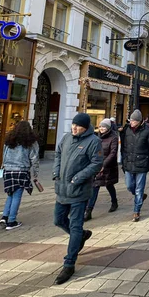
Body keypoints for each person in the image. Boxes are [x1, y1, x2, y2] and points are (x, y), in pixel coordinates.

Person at [53, 113, 103, 284]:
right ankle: (81, 235)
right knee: (58, 220)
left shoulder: (93, 141)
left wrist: (78, 178)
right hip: (62, 189)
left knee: (75, 226)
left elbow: (97, 163)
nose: (74, 128)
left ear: (85, 127)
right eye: (73, 124)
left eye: (78, 126)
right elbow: (58, 153)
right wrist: (56, 172)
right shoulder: (67, 138)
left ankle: (69, 264)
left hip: (79, 191)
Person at [0, 121, 39, 230]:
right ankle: (12, 221)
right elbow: (34, 158)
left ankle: (4, 217)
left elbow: (4, 153)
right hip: (21, 170)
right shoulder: (30, 141)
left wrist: (3, 166)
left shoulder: (9, 140)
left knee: (10, 194)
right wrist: (35, 173)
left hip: (8, 170)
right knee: (17, 195)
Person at [120, 109, 149, 222]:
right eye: (130, 120)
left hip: (142, 163)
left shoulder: (148, 131)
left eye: (133, 120)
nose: (131, 122)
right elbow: (123, 146)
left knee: (139, 188)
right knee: (129, 185)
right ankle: (140, 196)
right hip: (129, 162)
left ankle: (136, 211)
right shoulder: (126, 129)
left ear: (139, 121)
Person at [84, 119, 119, 221]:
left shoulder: (114, 137)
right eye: (100, 127)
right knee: (95, 186)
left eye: (104, 127)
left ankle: (114, 202)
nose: (101, 128)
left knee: (109, 185)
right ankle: (88, 211)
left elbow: (113, 153)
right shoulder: (96, 137)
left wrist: (104, 164)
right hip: (97, 166)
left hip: (108, 167)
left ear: (108, 127)